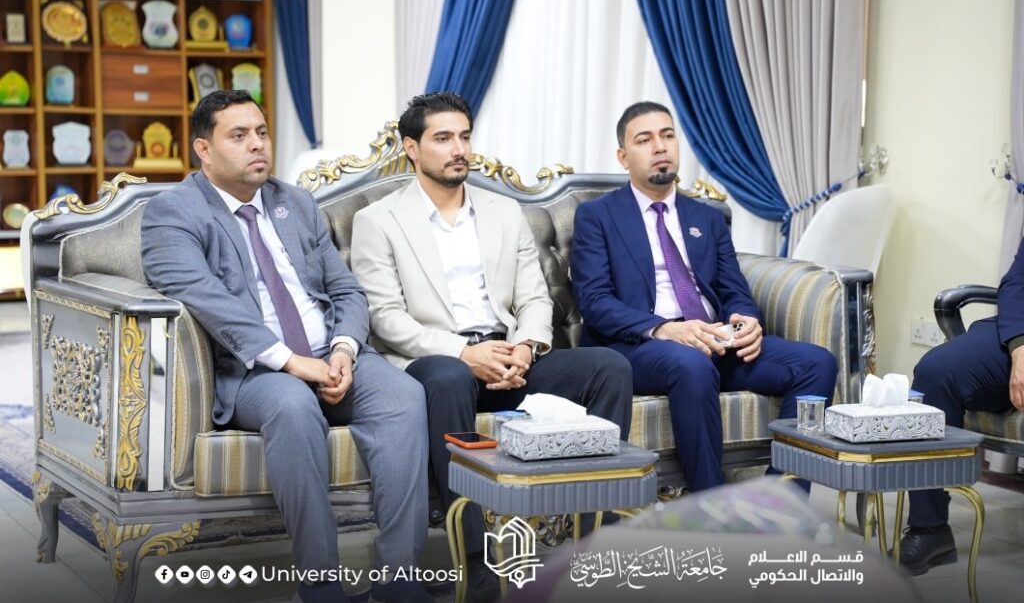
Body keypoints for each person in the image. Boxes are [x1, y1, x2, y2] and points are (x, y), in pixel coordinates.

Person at [141, 90, 430, 603]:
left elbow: (345, 290)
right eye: (239, 135)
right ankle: (320, 586)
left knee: (404, 396)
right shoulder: (172, 212)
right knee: (294, 406)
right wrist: (292, 362)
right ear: (203, 149)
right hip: (255, 373)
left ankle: (399, 582)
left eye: (262, 132)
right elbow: (206, 299)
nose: (258, 144)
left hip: (331, 355)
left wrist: (343, 351)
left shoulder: (294, 202)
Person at [350, 91, 634, 603]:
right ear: (411, 148)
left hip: (508, 358)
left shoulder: (504, 212)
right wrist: (464, 352)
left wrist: (526, 347)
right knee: (448, 377)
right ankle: (476, 561)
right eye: (443, 139)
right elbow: (385, 319)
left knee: (609, 367)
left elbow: (534, 297)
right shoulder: (379, 220)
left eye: (464, 137)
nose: (459, 149)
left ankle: (593, 543)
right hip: (437, 362)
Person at [569, 100, 837, 493]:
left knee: (817, 363)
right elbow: (595, 301)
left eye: (667, 135)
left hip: (714, 341)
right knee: (691, 363)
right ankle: (710, 506)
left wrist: (746, 320)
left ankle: (782, 502)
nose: (660, 146)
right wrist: (664, 329)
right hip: (638, 348)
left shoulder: (706, 217)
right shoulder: (597, 216)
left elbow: (733, 289)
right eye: (644, 140)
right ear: (623, 157)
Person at [900, 237, 1024, 574]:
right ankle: (930, 529)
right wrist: (1019, 346)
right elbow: (1018, 280)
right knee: (937, 372)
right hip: (1018, 332)